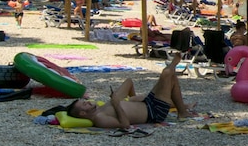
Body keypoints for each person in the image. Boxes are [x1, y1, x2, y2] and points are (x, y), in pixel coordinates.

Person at [67, 53, 197, 127]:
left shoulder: (100, 109)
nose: (88, 102)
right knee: (167, 73)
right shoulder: (99, 118)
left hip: (147, 103)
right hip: (154, 111)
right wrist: (116, 104)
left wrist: (129, 100)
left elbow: (128, 86)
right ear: (82, 113)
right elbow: (125, 125)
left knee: (170, 77)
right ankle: (174, 64)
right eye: (85, 104)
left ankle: (182, 111)